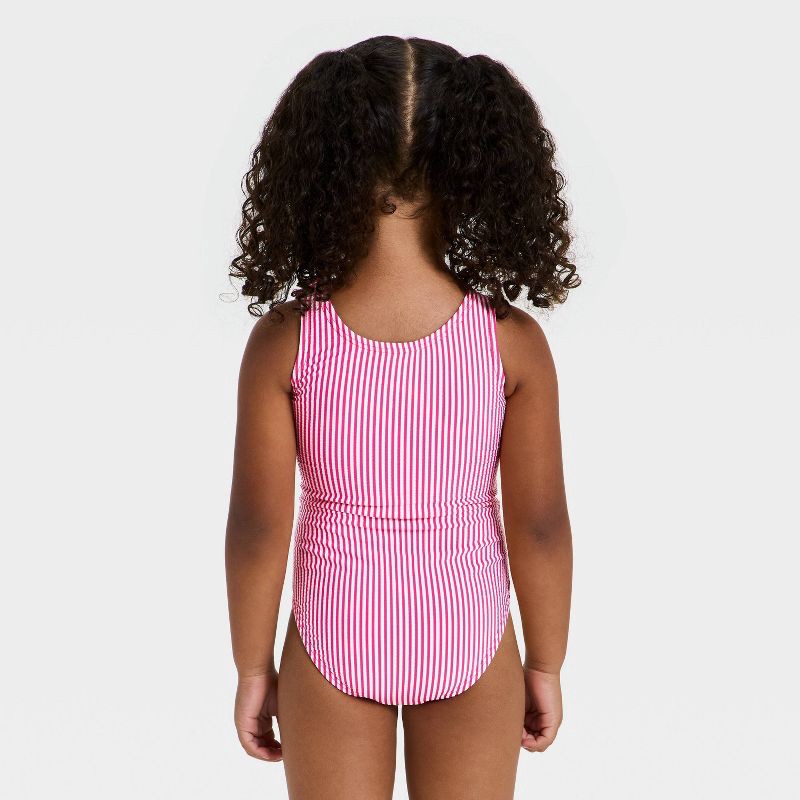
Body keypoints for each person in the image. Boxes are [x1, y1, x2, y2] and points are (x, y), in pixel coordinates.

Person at [225, 35, 578, 800]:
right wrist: (545, 663)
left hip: (333, 632)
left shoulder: (287, 339)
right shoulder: (510, 342)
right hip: (470, 633)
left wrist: (254, 668)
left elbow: (257, 525)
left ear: (322, 163)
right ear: (477, 166)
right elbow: (541, 524)